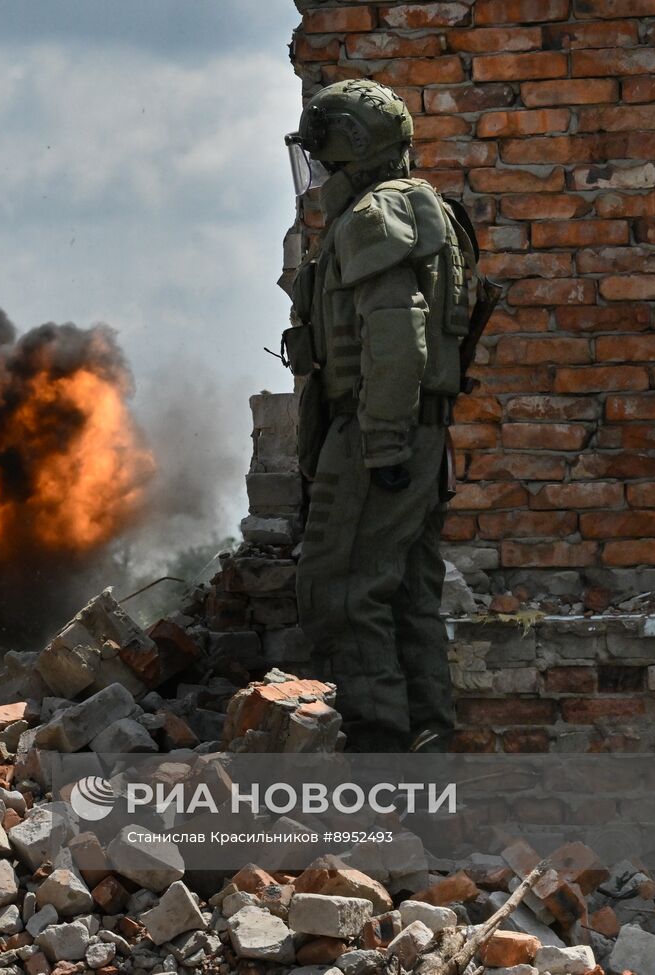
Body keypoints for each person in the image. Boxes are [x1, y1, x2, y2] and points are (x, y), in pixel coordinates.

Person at [280, 78, 478, 753]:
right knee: (405, 599)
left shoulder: (373, 217)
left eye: (324, 156)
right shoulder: (423, 210)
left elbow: (396, 335)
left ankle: (382, 770)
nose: (317, 173)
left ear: (350, 153)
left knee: (339, 592)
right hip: (415, 433)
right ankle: (427, 768)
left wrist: (384, 443)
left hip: (378, 433)